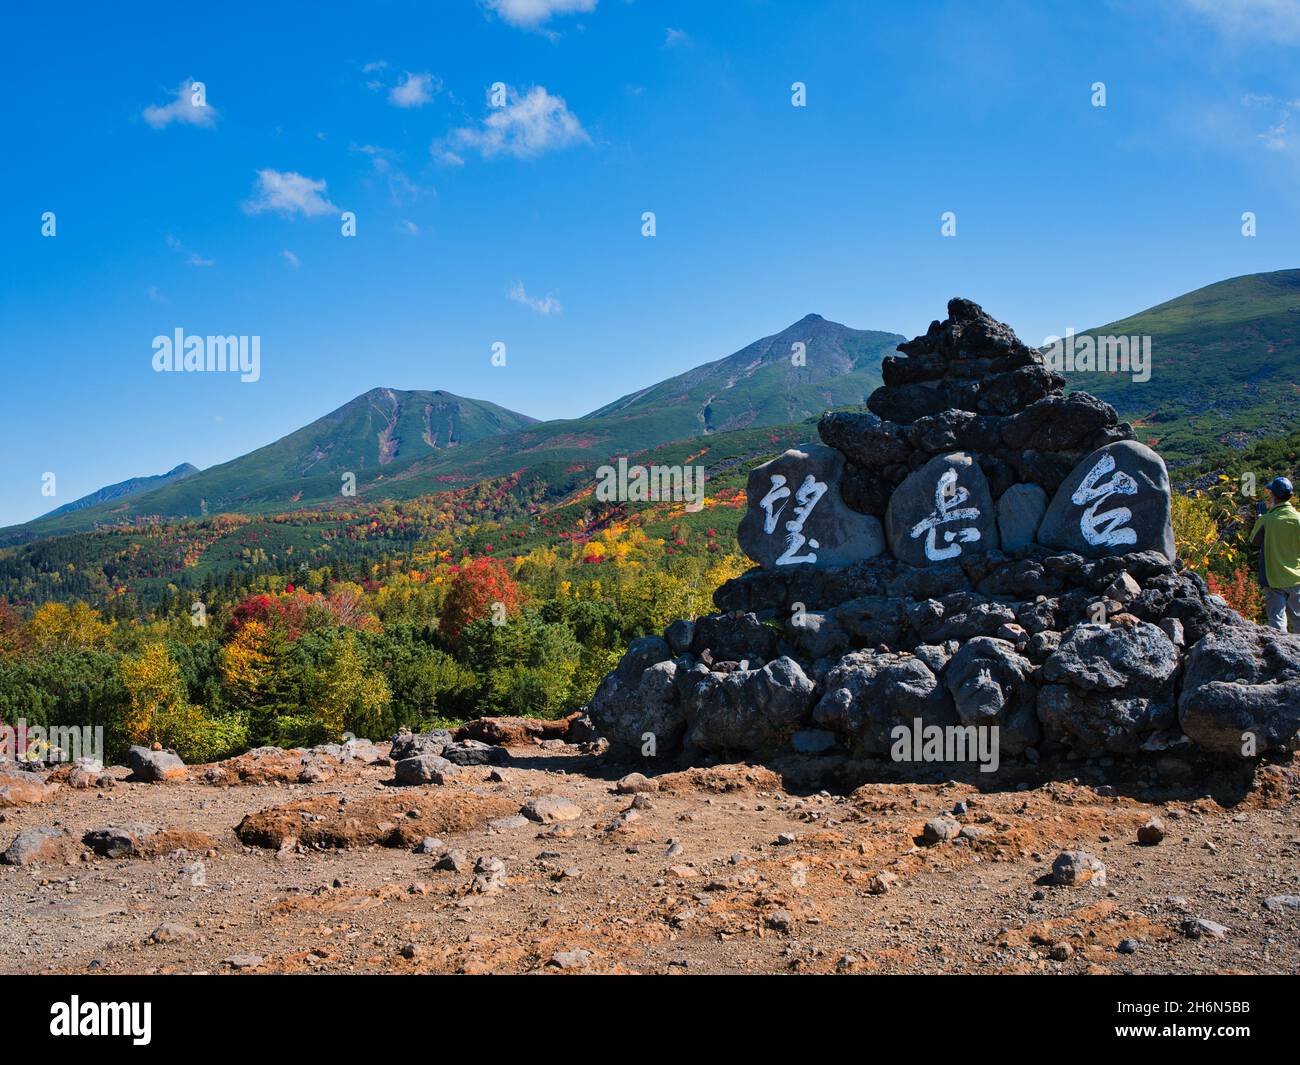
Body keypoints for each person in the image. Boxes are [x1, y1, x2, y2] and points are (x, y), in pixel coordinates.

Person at [1250, 475, 1300, 632]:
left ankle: (1281, 655)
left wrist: (1260, 519)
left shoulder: (1266, 520)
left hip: (1273, 579)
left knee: (1277, 623)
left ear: (1273, 495)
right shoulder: (1298, 519)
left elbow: (1254, 542)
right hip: (1297, 578)